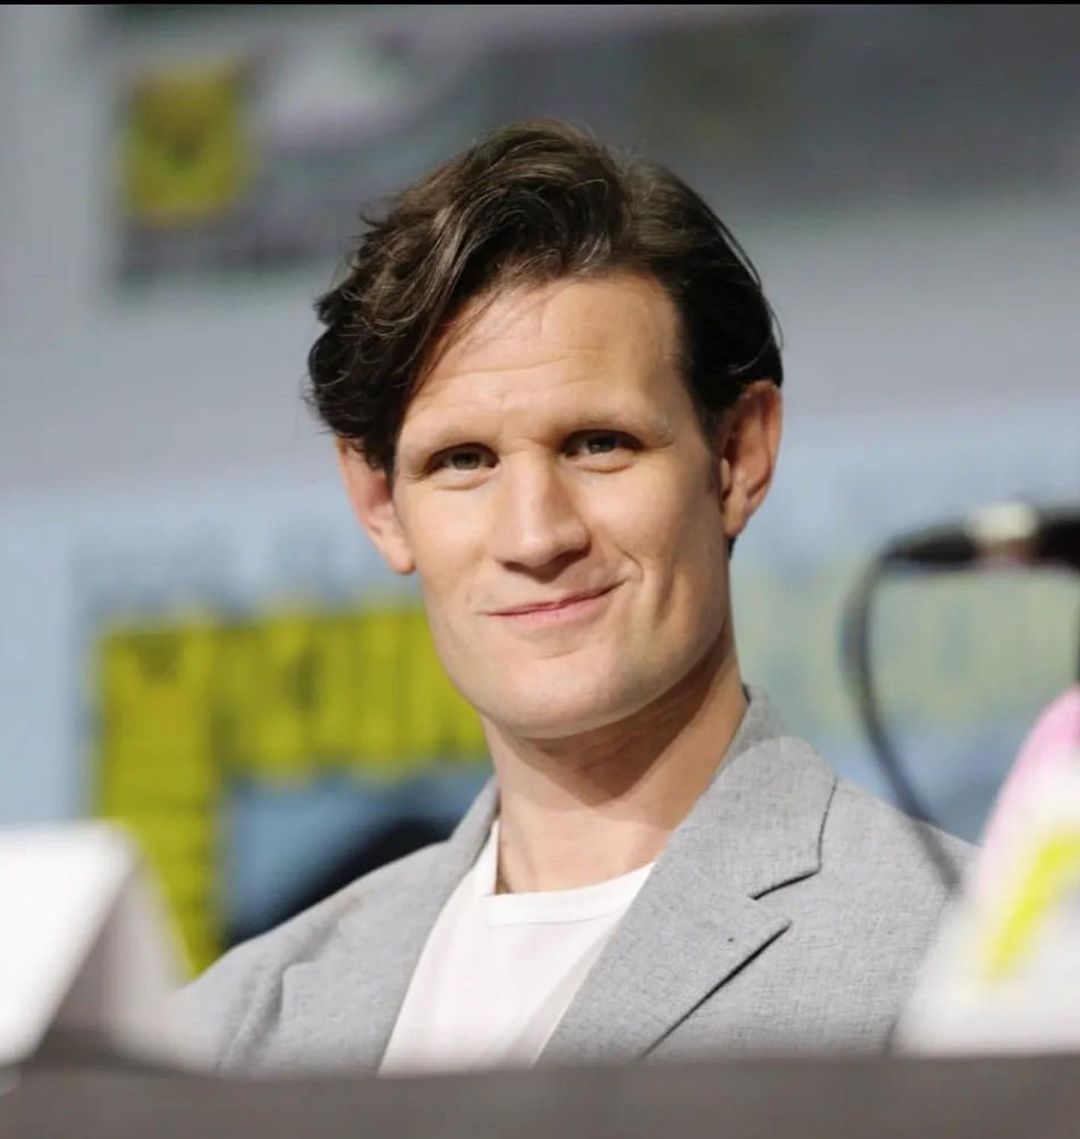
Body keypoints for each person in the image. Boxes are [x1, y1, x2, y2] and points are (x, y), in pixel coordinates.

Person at [175, 120, 970, 1075]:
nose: (536, 535)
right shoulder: (229, 1034)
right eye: (463, 460)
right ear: (380, 503)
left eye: (598, 444)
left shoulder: (968, 969)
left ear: (738, 454)